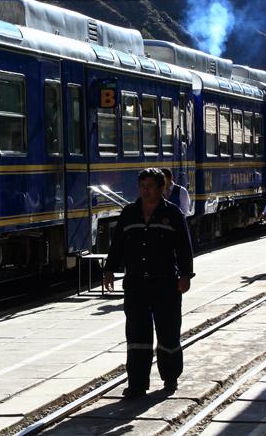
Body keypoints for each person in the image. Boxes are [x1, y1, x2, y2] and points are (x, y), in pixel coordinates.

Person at [103, 168, 194, 398]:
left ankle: (170, 376)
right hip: (136, 284)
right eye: (142, 186)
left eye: (150, 186)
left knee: (168, 331)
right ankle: (137, 383)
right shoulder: (129, 213)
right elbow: (118, 245)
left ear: (161, 188)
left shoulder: (173, 214)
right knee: (136, 334)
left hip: (166, 283)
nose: (145, 191)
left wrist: (185, 275)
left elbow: (184, 247)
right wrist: (110, 270)